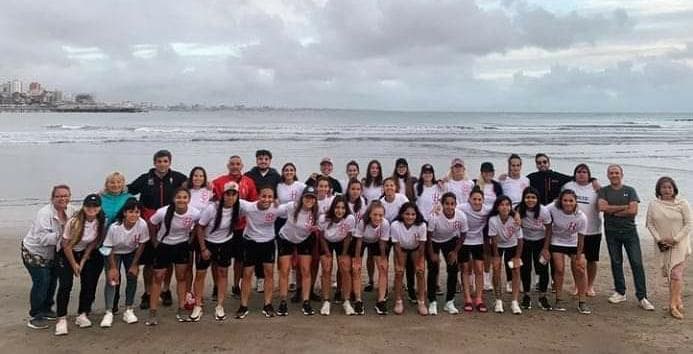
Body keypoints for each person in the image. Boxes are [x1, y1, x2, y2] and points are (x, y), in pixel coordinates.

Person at [127, 150, 187, 310]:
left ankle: (166, 290)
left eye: (165, 161)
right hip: (148, 224)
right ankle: (147, 292)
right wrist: (105, 192)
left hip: (169, 224)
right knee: (149, 262)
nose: (162, 164)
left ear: (170, 162)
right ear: (154, 163)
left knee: (167, 262)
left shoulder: (178, 178)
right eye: (159, 161)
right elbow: (127, 190)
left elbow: (194, 187)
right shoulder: (145, 178)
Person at [597, 164, 655, 311]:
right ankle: (620, 292)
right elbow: (602, 208)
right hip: (611, 232)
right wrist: (623, 207)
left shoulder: (630, 190)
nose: (614, 175)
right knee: (616, 262)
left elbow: (633, 211)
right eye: (611, 173)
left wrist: (614, 210)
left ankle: (642, 297)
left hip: (630, 232)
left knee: (636, 263)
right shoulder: (604, 191)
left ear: (621, 174)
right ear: (608, 175)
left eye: (616, 172)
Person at [22, 185, 76, 330]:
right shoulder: (44, 214)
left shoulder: (71, 209)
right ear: (52, 198)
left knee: (53, 281)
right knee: (42, 282)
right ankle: (35, 315)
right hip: (34, 252)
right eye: (58, 196)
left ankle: (47, 309)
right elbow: (43, 239)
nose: (62, 198)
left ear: (70, 196)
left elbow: (85, 215)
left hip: (54, 253)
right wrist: (64, 234)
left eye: (65, 195)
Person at [146, 188, 201, 325]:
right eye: (178, 197)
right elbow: (151, 223)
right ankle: (152, 312)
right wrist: (154, 241)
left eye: (184, 197)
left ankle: (181, 309)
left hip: (181, 246)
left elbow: (199, 225)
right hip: (164, 245)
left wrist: (191, 238)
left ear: (188, 199)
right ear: (174, 199)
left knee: (181, 277)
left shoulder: (194, 213)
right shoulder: (163, 212)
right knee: (158, 277)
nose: (181, 200)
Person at [54, 194, 106, 335]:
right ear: (84, 206)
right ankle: (61, 319)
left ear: (99, 208)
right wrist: (74, 265)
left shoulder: (100, 221)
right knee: (66, 285)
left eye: (95, 206)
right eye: (88, 206)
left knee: (88, 283)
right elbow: (66, 245)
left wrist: (82, 261)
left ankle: (82, 314)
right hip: (67, 253)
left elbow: (93, 242)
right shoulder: (74, 222)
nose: (91, 209)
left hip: (84, 252)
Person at [190, 182, 240, 322]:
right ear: (222, 195)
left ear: (237, 196)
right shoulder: (212, 208)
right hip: (208, 242)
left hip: (225, 243)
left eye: (233, 194)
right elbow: (200, 227)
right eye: (227, 194)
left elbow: (258, 206)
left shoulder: (239, 207)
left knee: (223, 273)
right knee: (200, 274)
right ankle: (198, 305)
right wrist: (203, 248)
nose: (230, 197)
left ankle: (220, 305)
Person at [211, 155, 258, 298]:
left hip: (241, 227)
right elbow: (211, 202)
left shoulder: (249, 182)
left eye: (238, 164)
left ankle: (236, 285)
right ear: (228, 166)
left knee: (239, 259)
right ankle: (216, 285)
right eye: (232, 164)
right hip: (222, 228)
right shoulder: (218, 182)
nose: (235, 166)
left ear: (242, 166)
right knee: (217, 260)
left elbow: (254, 204)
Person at [236, 186, 285, 319]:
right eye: (264, 196)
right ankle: (243, 305)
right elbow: (231, 199)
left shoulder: (276, 208)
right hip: (250, 242)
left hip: (268, 243)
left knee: (269, 273)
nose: (266, 199)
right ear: (258, 196)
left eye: (270, 197)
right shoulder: (248, 206)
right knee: (247, 274)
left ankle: (268, 304)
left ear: (273, 198)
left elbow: (295, 205)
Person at [646, 177, 691, 319]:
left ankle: (672, 306)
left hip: (679, 243)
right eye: (663, 187)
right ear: (659, 189)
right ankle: (677, 300)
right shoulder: (654, 204)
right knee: (669, 273)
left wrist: (675, 240)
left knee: (676, 274)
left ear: (674, 189)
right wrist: (659, 240)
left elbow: (689, 224)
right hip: (662, 245)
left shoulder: (682, 203)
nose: (667, 190)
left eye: (669, 187)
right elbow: (650, 224)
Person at [100, 198, 149, 327]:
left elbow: (142, 244)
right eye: (131, 212)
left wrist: (134, 265)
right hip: (113, 252)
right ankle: (108, 312)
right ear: (125, 213)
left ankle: (129, 309)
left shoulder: (142, 224)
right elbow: (108, 247)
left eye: (137, 212)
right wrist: (113, 268)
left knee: (132, 277)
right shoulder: (115, 227)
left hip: (131, 251)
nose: (134, 215)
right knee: (112, 280)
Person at [276, 186, 320, 316]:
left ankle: (306, 302)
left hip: (304, 240)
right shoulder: (292, 206)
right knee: (284, 270)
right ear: (302, 197)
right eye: (307, 197)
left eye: (312, 198)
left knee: (305, 270)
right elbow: (275, 211)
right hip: (286, 238)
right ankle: (283, 302)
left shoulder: (316, 213)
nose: (309, 200)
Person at [546, 189, 591, 314]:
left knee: (581, 269)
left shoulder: (581, 217)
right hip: (557, 240)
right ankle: (559, 299)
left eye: (571, 200)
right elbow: (541, 212)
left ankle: (582, 301)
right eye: (565, 200)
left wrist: (578, 257)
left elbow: (581, 238)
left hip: (574, 242)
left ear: (575, 202)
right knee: (559, 269)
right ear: (561, 200)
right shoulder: (553, 208)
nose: (568, 203)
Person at [244, 150, 282, 294]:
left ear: (270, 161)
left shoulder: (276, 176)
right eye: (260, 159)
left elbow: (283, 189)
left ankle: (267, 278)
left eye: (266, 159)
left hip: (270, 214)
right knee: (254, 247)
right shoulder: (249, 175)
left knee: (269, 247)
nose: (263, 161)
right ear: (256, 160)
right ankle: (259, 278)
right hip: (254, 213)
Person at [563, 164, 602, 297]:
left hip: (593, 229)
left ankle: (589, 286)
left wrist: (597, 183)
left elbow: (603, 202)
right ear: (575, 174)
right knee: (576, 258)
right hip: (574, 231)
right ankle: (577, 284)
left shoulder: (595, 187)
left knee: (591, 260)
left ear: (589, 175)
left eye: (584, 172)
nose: (581, 174)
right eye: (579, 172)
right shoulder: (569, 186)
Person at [427, 192, 467, 315]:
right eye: (446, 204)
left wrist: (455, 252)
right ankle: (432, 301)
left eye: (452, 204)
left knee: (453, 269)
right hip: (433, 241)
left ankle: (449, 301)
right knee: (433, 269)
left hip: (450, 240)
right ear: (442, 204)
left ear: (455, 204)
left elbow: (463, 234)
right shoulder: (434, 216)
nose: (449, 207)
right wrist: (432, 253)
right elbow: (428, 236)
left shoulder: (461, 216)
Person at [318, 195, 357, 315]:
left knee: (345, 268)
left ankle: (346, 300)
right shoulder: (324, 218)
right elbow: (321, 235)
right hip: (326, 241)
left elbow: (349, 236)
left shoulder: (350, 218)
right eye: (337, 207)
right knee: (326, 268)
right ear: (332, 208)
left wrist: (344, 254)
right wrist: (327, 252)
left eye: (343, 208)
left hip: (342, 241)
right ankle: (326, 301)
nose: (340, 210)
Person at [516, 187, 553, 311]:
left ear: (537, 199)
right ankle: (526, 295)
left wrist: (546, 248)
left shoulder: (543, 211)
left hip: (540, 241)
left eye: (533, 197)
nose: (530, 200)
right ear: (523, 198)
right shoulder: (518, 209)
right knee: (525, 268)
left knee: (542, 268)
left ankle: (542, 296)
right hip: (525, 241)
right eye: (527, 197)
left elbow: (549, 229)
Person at [352, 201, 391, 315]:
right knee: (356, 269)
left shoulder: (385, 223)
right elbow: (358, 242)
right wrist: (357, 259)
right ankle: (358, 300)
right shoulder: (362, 222)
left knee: (383, 268)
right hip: (362, 240)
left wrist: (383, 258)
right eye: (375, 215)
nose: (377, 217)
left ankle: (381, 300)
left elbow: (382, 243)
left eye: (380, 215)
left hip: (376, 241)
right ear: (369, 214)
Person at [391, 202, 429, 315]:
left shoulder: (422, 225)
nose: (410, 217)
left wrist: (418, 264)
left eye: (413, 214)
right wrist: (400, 264)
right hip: (401, 248)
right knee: (399, 272)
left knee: (421, 272)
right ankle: (398, 301)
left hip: (416, 249)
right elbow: (396, 246)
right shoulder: (395, 225)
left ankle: (421, 302)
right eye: (407, 214)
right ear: (402, 214)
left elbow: (422, 245)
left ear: (417, 215)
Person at [487, 195, 523, 314]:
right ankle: (498, 300)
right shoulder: (493, 220)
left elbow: (520, 240)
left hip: (513, 246)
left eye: (507, 204)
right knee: (496, 269)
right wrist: (496, 256)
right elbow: (494, 240)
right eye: (502, 204)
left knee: (516, 270)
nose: (504, 207)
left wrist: (517, 257)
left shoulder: (515, 219)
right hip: (498, 246)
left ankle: (514, 301)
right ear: (497, 207)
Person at [183, 166, 213, 310]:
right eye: (195, 175)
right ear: (191, 177)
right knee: (188, 265)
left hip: (203, 232)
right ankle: (188, 294)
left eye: (201, 176)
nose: (198, 178)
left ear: (205, 178)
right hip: (187, 232)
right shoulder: (186, 192)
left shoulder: (209, 192)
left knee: (201, 266)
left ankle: (198, 293)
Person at [458, 187, 490, 312]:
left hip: (478, 241)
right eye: (474, 199)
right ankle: (467, 298)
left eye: (479, 199)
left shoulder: (487, 210)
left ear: (483, 200)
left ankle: (479, 298)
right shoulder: (462, 208)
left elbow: (501, 211)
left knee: (479, 269)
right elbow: (449, 210)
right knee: (465, 269)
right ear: (469, 199)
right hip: (464, 240)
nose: (476, 202)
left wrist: (516, 215)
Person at [276, 162, 305, 293]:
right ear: (282, 172)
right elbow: (274, 199)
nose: (289, 172)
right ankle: (282, 278)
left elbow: (311, 194)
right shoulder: (278, 186)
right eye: (286, 170)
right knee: (282, 252)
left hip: (295, 221)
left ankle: (294, 279)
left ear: (295, 172)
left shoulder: (300, 186)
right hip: (281, 221)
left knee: (295, 251)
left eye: (291, 170)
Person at [474, 162, 503, 291]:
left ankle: (488, 277)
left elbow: (501, 202)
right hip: (479, 221)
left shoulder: (497, 186)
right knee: (482, 251)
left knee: (492, 251)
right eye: (485, 172)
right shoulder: (476, 184)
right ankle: (481, 278)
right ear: (481, 172)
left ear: (493, 172)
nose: (487, 174)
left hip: (494, 221)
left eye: (490, 172)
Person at [361, 160, 383, 292]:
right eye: (372, 168)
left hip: (378, 219)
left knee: (376, 254)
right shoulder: (364, 184)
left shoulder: (382, 185)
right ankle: (370, 280)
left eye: (377, 168)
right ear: (369, 170)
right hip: (366, 219)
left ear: (379, 170)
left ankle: (381, 280)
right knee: (367, 255)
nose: (374, 170)